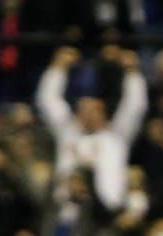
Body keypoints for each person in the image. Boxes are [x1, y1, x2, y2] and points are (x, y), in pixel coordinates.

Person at [36, 46, 148, 212]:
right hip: (67, 210)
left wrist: (132, 73)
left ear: (103, 113)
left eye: (94, 109)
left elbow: (135, 106)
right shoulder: (68, 132)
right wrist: (57, 68)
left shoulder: (116, 137)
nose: (88, 113)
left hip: (107, 210)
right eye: (83, 109)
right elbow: (48, 100)